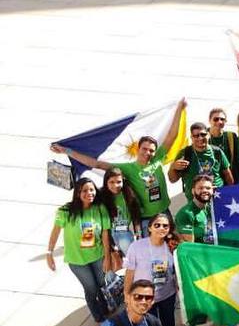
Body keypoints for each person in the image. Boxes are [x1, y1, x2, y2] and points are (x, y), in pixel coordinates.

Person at [51, 98, 187, 232]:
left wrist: (179, 109)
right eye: (144, 149)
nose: (148, 152)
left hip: (164, 212)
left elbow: (171, 135)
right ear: (138, 149)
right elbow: (96, 163)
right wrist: (67, 151)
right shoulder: (127, 168)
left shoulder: (158, 158)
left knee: (168, 248)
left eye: (151, 150)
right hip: (146, 218)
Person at [47, 178, 112, 322]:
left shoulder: (100, 209)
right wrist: (49, 253)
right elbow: (55, 232)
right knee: (91, 288)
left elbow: (105, 234)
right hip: (77, 260)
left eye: (92, 190)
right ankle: (98, 316)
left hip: (97, 255)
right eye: (84, 190)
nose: (89, 193)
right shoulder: (65, 211)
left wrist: (107, 257)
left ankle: (106, 308)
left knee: (102, 285)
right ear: (77, 193)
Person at [123, 215, 183, 326]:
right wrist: (127, 294)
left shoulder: (172, 247)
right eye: (157, 225)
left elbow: (178, 269)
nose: (161, 228)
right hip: (144, 297)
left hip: (167, 293)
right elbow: (130, 272)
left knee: (169, 322)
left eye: (165, 226)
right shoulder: (137, 246)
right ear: (149, 227)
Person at [168, 122, 233, 191]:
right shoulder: (185, 153)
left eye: (203, 134)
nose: (200, 138)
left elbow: (228, 175)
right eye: (196, 135)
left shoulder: (217, 151)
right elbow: (173, 180)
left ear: (208, 135)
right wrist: (173, 167)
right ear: (191, 137)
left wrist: (230, 193)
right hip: (195, 199)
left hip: (217, 195)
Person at [100, 167, 140, 259]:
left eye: (119, 182)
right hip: (108, 234)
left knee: (133, 259)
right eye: (111, 182)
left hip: (124, 233)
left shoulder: (128, 193)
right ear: (106, 182)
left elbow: (135, 216)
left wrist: (138, 234)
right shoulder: (101, 196)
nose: (115, 185)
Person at [208, 107, 239, 182]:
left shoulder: (231, 136)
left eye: (222, 119)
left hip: (232, 178)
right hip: (213, 181)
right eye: (216, 119)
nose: (219, 122)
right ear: (209, 120)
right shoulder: (204, 137)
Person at [174, 174, 215, 244]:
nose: (205, 190)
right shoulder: (186, 214)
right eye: (200, 188)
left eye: (208, 188)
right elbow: (191, 247)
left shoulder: (211, 208)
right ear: (193, 191)